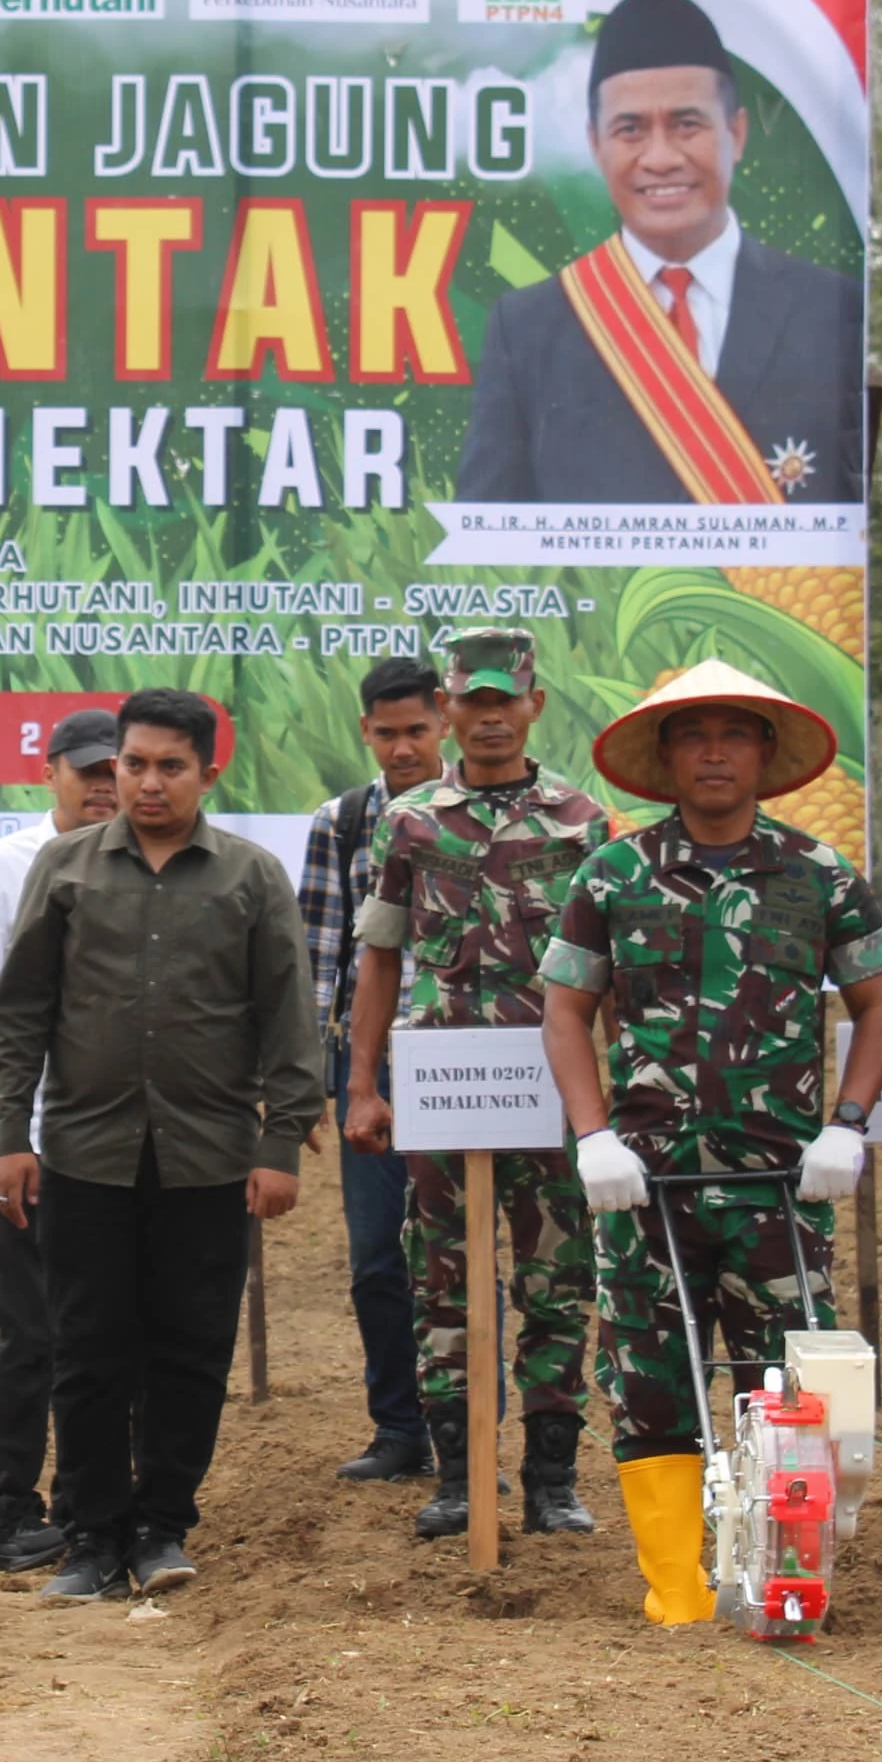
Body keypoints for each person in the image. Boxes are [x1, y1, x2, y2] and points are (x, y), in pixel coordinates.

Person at [540, 660, 882, 1625]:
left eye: (733, 733)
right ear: (663, 758)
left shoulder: (818, 873)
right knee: (649, 1383)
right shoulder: (612, 873)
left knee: (785, 1384)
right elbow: (566, 1011)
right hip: (645, 1186)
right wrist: (592, 1135)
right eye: (692, 734)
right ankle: (678, 1586)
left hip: (782, 1184)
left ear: (763, 753)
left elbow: (879, 1004)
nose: (713, 750)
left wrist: (848, 1123)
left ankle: (780, 1570)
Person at [0, 689, 318, 1599]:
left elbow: (289, 1016)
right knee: (87, 1348)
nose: (149, 782)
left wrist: (280, 1142)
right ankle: (92, 1535)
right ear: (114, 767)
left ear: (210, 771)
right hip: (84, 1155)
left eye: (171, 765)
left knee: (190, 1349)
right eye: (134, 764)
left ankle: (163, 1525)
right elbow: (20, 1015)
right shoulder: (66, 867)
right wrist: (11, 1132)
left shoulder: (249, 877)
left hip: (209, 1158)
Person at [345, 629, 612, 1539]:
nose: (491, 718)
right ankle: (460, 1478)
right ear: (449, 709)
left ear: (535, 705)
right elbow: (380, 955)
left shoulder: (583, 821)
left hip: (554, 1090)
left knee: (555, 1279)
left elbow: (609, 970)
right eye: (474, 702)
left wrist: (614, 1109)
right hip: (443, 1087)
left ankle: (549, 1480)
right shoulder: (411, 820)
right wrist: (362, 1085)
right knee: (443, 1282)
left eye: (508, 701)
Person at [452, 0, 865, 507]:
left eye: (686, 125)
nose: (661, 157)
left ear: (736, 134)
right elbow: (491, 538)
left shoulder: (833, 311)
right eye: (630, 130)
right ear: (595, 145)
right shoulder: (529, 327)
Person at [0, 707, 128, 1571]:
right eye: (87, 769)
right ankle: (12, 1506)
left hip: (127, 1136)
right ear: (50, 772)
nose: (104, 784)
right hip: (31, 1137)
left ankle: (92, 1503)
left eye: (118, 768)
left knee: (114, 1327)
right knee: (29, 1327)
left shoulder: (157, 863)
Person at [302, 658, 452, 1486]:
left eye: (417, 731)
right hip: (373, 1067)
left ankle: (467, 1432)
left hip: (477, 1069)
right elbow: (320, 954)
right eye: (387, 732)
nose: (402, 747)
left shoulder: (484, 816)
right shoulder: (345, 820)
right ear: (366, 731)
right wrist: (308, 1082)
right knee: (376, 1256)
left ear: (446, 724)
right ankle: (399, 1427)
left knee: (465, 1257)